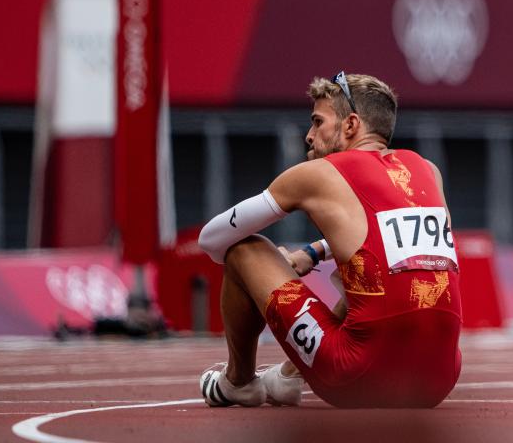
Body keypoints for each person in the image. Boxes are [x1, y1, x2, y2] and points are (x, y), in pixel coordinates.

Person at [196, 72, 462, 408]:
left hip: (356, 375)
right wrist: (314, 252)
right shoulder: (426, 169)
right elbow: (402, 248)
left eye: (317, 122)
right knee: (380, 273)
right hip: (439, 379)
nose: (308, 136)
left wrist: (269, 268)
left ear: (351, 125)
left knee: (245, 249)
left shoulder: (320, 173)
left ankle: (238, 382)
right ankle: (288, 377)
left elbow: (212, 239)